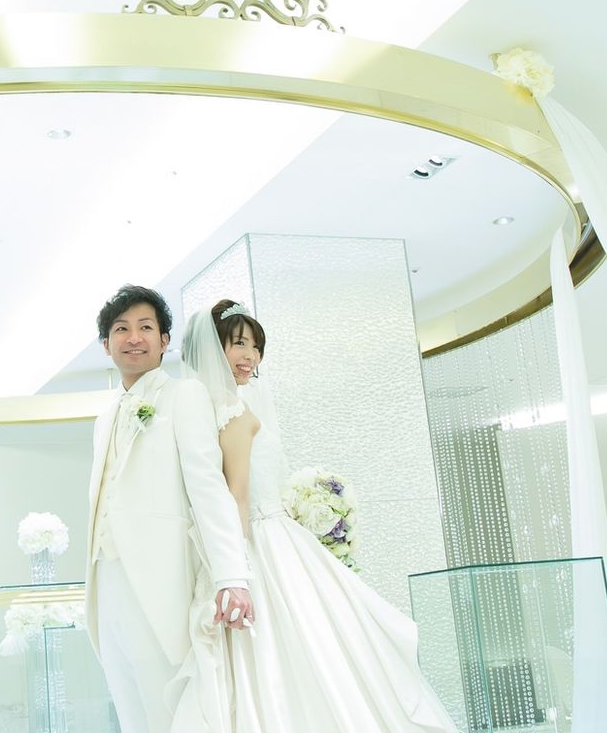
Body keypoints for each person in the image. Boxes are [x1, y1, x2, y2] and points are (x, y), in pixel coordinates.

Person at [177, 299, 458, 732]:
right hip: (263, 543)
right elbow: (237, 496)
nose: (250, 356)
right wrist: (236, 571)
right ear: (215, 348)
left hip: (281, 539)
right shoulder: (232, 413)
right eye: (238, 344)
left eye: (255, 346)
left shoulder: (229, 408)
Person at [85, 285, 255, 733]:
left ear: (164, 341)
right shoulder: (103, 418)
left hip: (161, 579)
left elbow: (209, 488)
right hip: (106, 580)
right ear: (106, 344)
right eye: (121, 329)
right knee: (129, 711)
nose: (133, 337)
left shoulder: (185, 396)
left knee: (168, 709)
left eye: (146, 327)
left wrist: (232, 576)